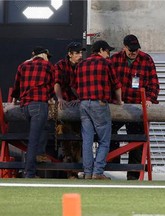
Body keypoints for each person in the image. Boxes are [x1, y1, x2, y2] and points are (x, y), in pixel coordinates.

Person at [110, 34, 160, 180]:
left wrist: (150, 99)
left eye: (136, 50)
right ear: (124, 47)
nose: (133, 52)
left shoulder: (147, 59)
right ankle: (112, 163)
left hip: (138, 107)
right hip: (118, 106)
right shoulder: (114, 59)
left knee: (138, 140)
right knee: (108, 131)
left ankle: (134, 175)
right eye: (130, 49)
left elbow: (154, 83)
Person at [75, 40, 123, 180]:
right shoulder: (106, 63)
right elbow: (116, 85)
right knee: (104, 140)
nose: (109, 54)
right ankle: (98, 172)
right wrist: (119, 102)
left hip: (83, 104)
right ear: (101, 50)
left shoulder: (81, 64)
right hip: (99, 104)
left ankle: (88, 172)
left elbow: (75, 85)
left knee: (87, 141)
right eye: (108, 51)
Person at [11, 46, 54, 178]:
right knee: (34, 140)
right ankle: (29, 173)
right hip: (39, 105)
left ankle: (40, 153)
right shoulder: (48, 66)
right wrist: (51, 98)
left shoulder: (23, 66)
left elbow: (17, 86)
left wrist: (13, 101)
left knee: (44, 127)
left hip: (25, 107)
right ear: (44, 55)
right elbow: (52, 85)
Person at [54, 41, 86, 178]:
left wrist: (80, 98)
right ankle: (69, 172)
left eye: (81, 52)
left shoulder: (83, 66)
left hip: (79, 105)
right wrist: (60, 99)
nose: (80, 55)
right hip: (65, 106)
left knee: (79, 139)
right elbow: (57, 83)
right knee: (65, 138)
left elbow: (82, 86)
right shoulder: (60, 65)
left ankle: (77, 169)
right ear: (69, 54)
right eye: (77, 53)